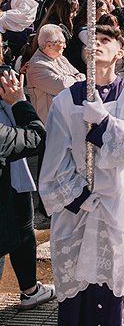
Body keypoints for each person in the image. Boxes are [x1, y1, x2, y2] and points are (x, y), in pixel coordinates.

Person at [39, 24, 124, 326]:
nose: (98, 46)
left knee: (117, 268)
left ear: (120, 53)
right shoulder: (64, 100)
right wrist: (78, 195)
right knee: (77, 275)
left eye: (107, 42)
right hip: (80, 207)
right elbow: (53, 159)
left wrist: (103, 122)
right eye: (94, 41)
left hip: (120, 201)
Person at [0, 60, 55, 310]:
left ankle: (30, 289)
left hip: (15, 172)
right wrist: (20, 100)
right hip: (9, 167)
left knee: (22, 226)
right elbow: (36, 136)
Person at [25, 25, 85, 123]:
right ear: (49, 45)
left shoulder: (60, 58)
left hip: (66, 119)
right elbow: (63, 87)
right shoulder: (36, 66)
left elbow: (82, 76)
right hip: (51, 123)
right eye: (62, 43)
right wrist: (75, 78)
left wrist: (70, 78)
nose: (65, 46)